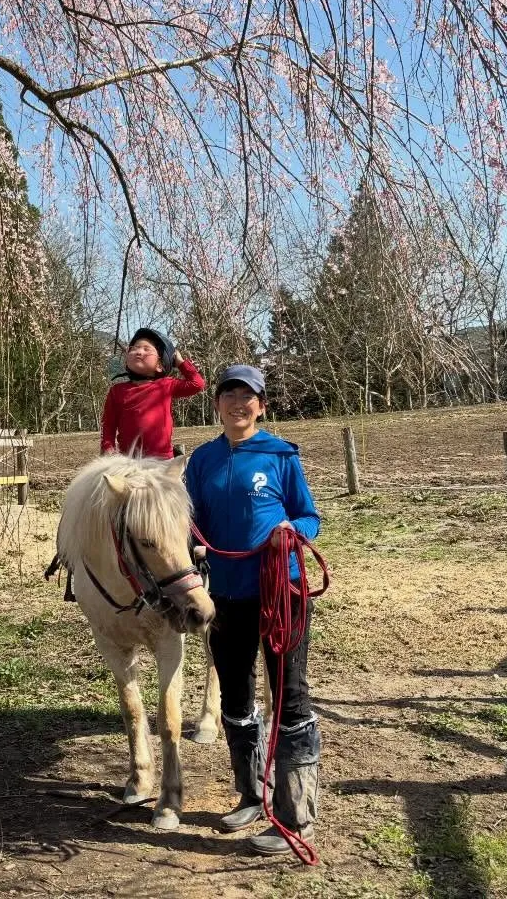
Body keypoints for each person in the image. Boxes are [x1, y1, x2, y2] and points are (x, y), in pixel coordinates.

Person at [183, 364, 322, 856]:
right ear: (216, 404)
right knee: (236, 699)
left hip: (280, 593)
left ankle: (296, 817)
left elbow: (309, 515)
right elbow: (189, 519)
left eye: (248, 397)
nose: (238, 404)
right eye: (229, 395)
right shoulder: (201, 461)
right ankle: (252, 795)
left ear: (261, 405)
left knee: (290, 698)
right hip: (226, 596)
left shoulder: (282, 456)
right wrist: (193, 544)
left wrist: (292, 532)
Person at [100, 327, 205, 459]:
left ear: (160, 366)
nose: (138, 352)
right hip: (128, 461)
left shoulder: (166, 385)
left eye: (146, 349)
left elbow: (197, 384)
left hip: (162, 460)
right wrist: (107, 447)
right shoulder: (117, 390)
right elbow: (108, 424)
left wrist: (181, 362)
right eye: (134, 348)